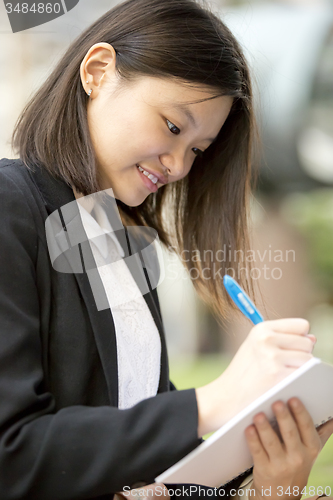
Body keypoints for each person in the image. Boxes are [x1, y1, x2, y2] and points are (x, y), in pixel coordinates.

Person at [0, 0, 332, 498]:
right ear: (98, 71)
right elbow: (13, 452)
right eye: (173, 127)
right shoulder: (10, 208)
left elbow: (144, 452)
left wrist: (271, 479)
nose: (178, 165)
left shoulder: (124, 246)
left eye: (198, 150)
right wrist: (210, 401)